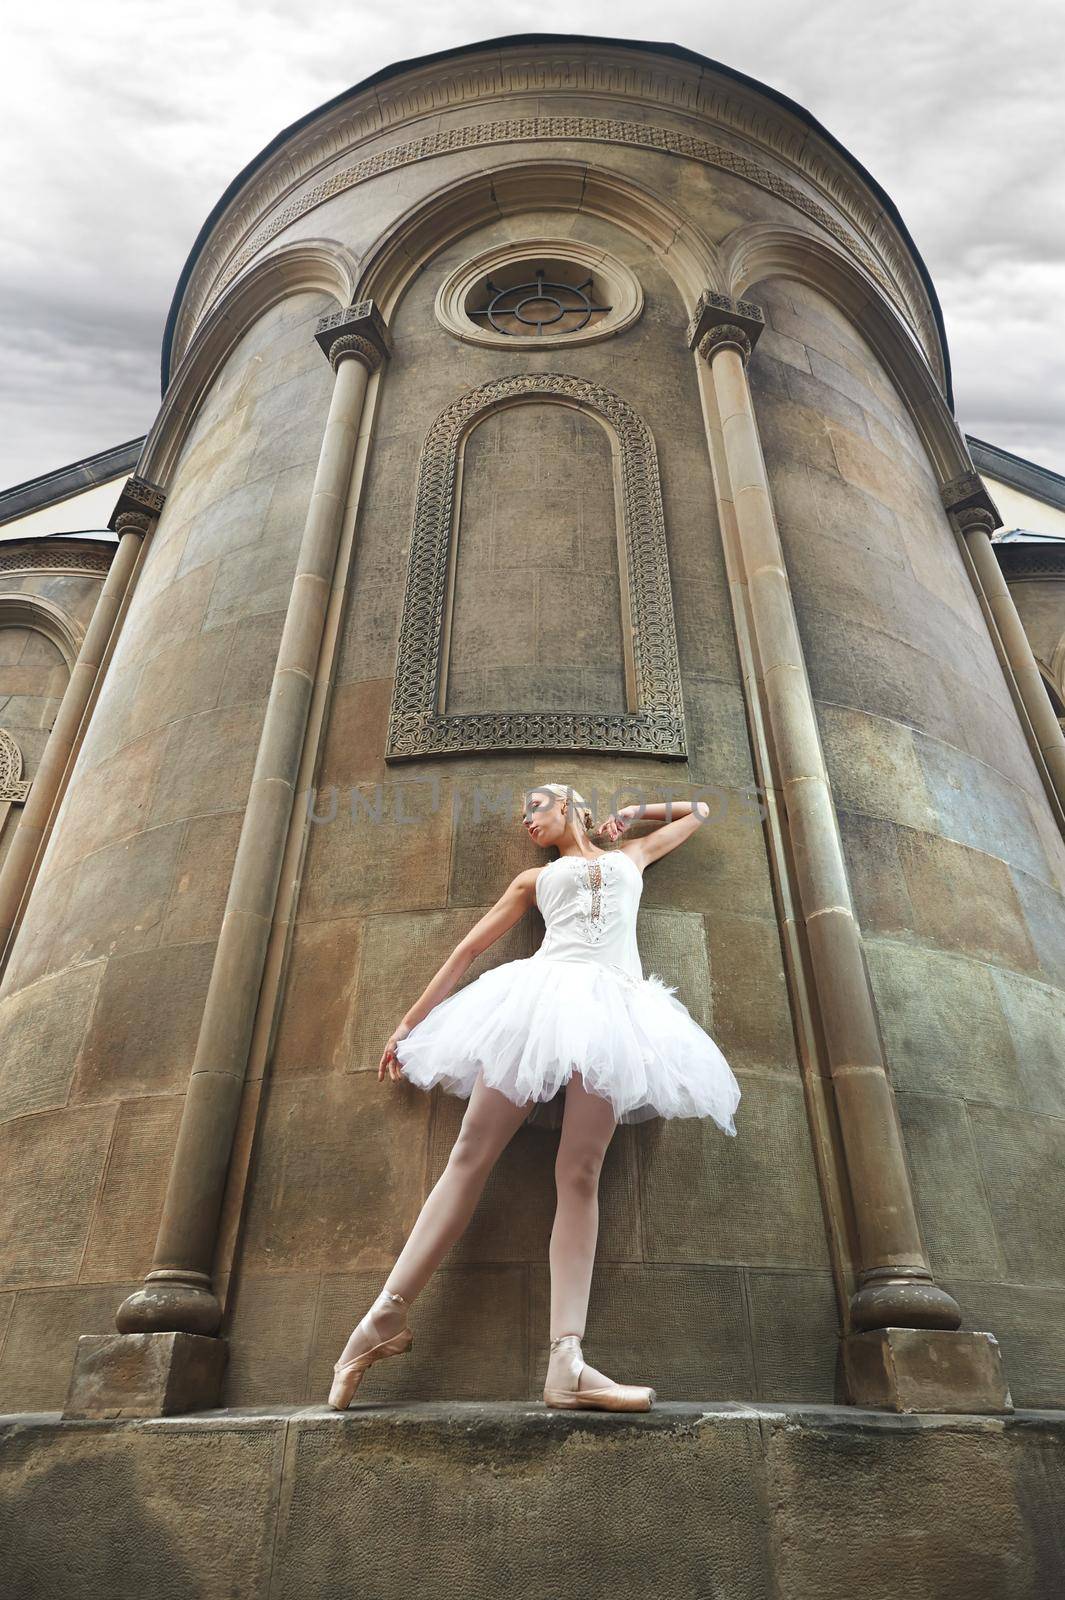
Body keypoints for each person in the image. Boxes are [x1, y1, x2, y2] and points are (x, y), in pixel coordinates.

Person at [328, 782, 741, 1413]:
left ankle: (566, 1364)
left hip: (616, 1014)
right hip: (538, 1005)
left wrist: (634, 812)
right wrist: (409, 1025)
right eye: (524, 812)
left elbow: (702, 809)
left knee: (580, 1172)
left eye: (537, 805)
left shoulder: (633, 858)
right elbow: (468, 949)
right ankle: (379, 1321)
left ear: (572, 806)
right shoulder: (533, 880)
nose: (527, 819)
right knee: (469, 1154)